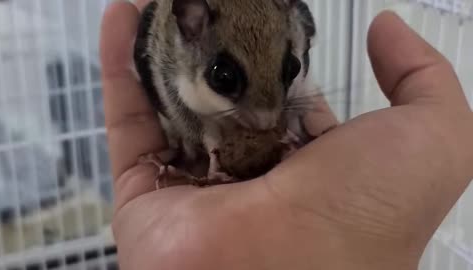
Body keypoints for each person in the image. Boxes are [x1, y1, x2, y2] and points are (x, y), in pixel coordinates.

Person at [99, 1, 473, 269]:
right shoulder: (180, 46)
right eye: (225, 78)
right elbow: (179, 95)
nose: (265, 121)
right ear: (191, 27)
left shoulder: (289, 25)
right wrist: (204, 143)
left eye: (288, 69)